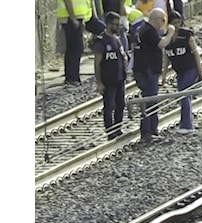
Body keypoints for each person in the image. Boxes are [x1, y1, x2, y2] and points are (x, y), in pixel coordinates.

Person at [133, 8, 175, 142]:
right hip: (148, 70)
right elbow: (161, 44)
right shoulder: (149, 31)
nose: (164, 23)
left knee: (150, 100)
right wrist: (170, 33)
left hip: (144, 69)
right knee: (150, 101)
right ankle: (148, 131)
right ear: (157, 19)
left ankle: (151, 130)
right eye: (163, 20)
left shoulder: (143, 30)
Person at [161, 11, 202, 134]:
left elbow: (195, 52)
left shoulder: (186, 35)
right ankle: (186, 123)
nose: (176, 26)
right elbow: (167, 57)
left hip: (191, 69)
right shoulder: (167, 38)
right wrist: (164, 74)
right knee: (184, 96)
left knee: (184, 93)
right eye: (174, 23)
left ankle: (187, 125)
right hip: (180, 71)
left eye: (178, 23)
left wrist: (200, 69)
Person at [93, 11, 129, 140]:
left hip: (119, 78)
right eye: (116, 24)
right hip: (108, 79)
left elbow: (122, 56)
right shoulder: (101, 41)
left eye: (119, 24)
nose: (118, 27)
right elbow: (97, 63)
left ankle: (118, 128)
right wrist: (99, 82)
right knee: (109, 106)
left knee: (121, 104)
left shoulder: (117, 39)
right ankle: (110, 131)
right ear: (108, 24)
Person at [57, 0, 106, 86]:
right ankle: (72, 78)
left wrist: (94, 15)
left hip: (85, 16)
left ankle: (115, 63)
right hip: (71, 17)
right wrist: (73, 18)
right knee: (76, 48)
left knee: (105, 32)